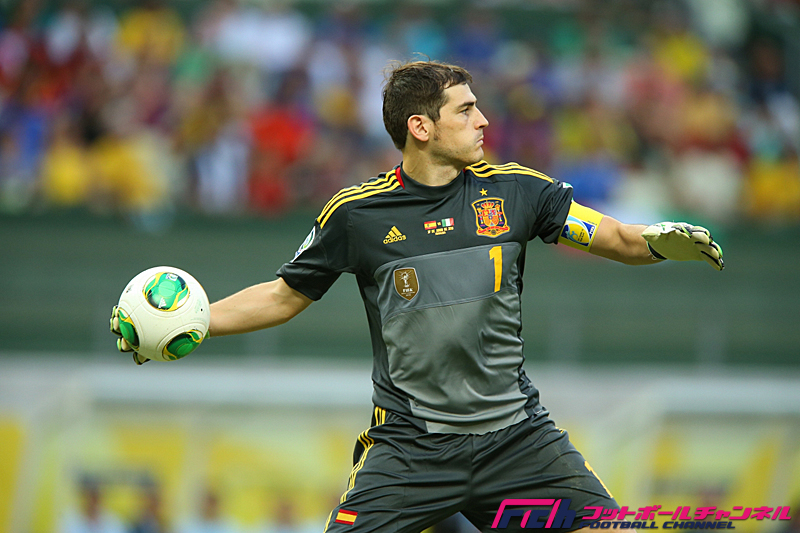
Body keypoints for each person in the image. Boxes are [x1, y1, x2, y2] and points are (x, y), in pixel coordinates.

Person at [112, 60, 724, 532]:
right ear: (421, 127)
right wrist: (195, 321)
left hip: (517, 441)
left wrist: (657, 241)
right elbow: (282, 296)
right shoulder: (356, 215)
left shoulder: (518, 192)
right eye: (466, 110)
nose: (483, 122)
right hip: (410, 449)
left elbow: (613, 236)